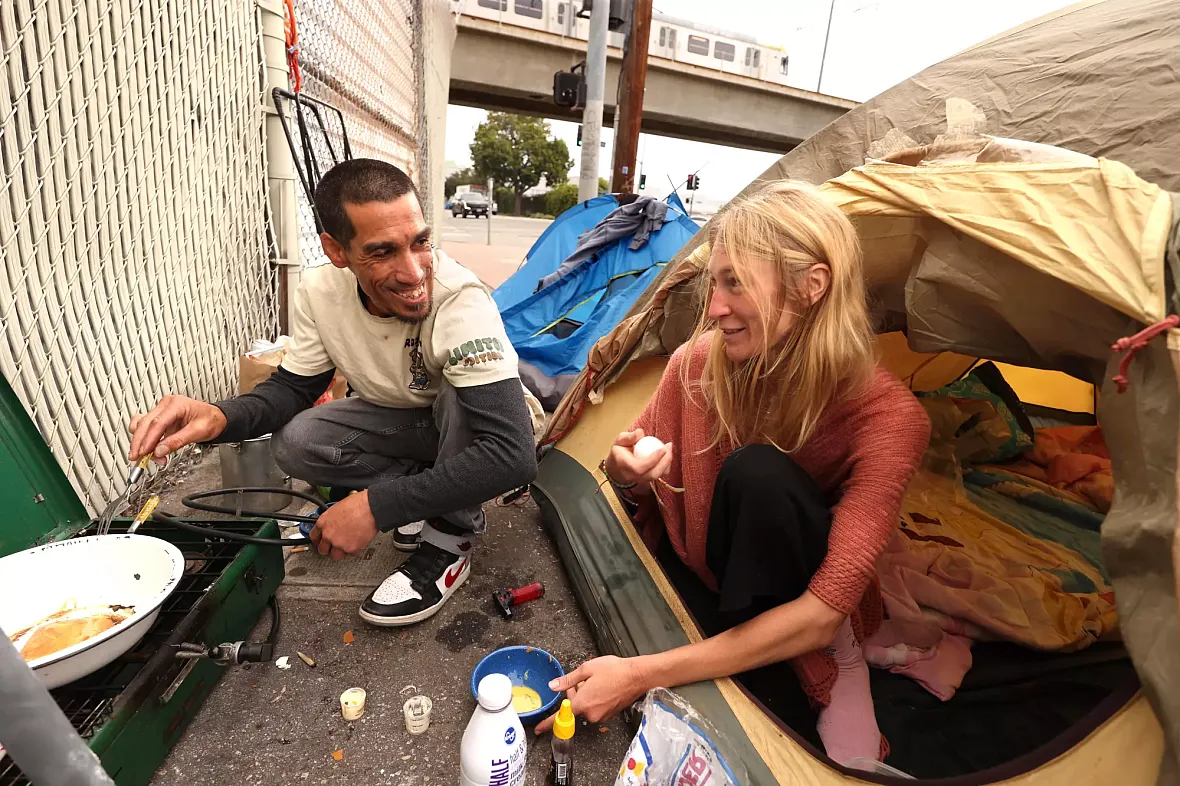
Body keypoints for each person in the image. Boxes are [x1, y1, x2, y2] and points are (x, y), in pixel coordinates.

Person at [535, 182, 931, 764]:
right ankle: (765, 642)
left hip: (809, 594)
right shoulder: (697, 362)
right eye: (713, 282)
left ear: (810, 286)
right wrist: (627, 474)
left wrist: (641, 674)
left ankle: (844, 661)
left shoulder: (889, 416)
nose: (714, 307)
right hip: (718, 561)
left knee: (759, 473)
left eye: (735, 282)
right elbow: (630, 469)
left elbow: (824, 608)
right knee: (750, 478)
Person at [127, 159, 540, 627]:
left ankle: (450, 538)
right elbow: (290, 390)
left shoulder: (460, 298)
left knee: (458, 397)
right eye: (382, 252)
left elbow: (512, 454)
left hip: (481, 426)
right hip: (411, 424)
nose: (412, 273)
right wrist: (221, 417)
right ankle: (430, 490)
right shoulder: (321, 292)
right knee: (298, 441)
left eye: (420, 242)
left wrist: (375, 505)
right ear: (336, 250)